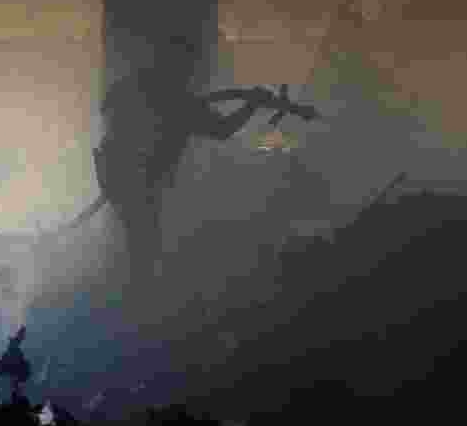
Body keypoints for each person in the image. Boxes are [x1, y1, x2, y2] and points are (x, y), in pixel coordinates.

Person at [94, 35, 317, 286]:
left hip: (118, 173)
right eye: (186, 64)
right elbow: (223, 129)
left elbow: (109, 109)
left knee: (140, 238)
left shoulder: (150, 90)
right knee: (144, 240)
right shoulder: (173, 99)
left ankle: (134, 289)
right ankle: (137, 295)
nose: (189, 70)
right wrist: (251, 105)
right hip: (131, 177)